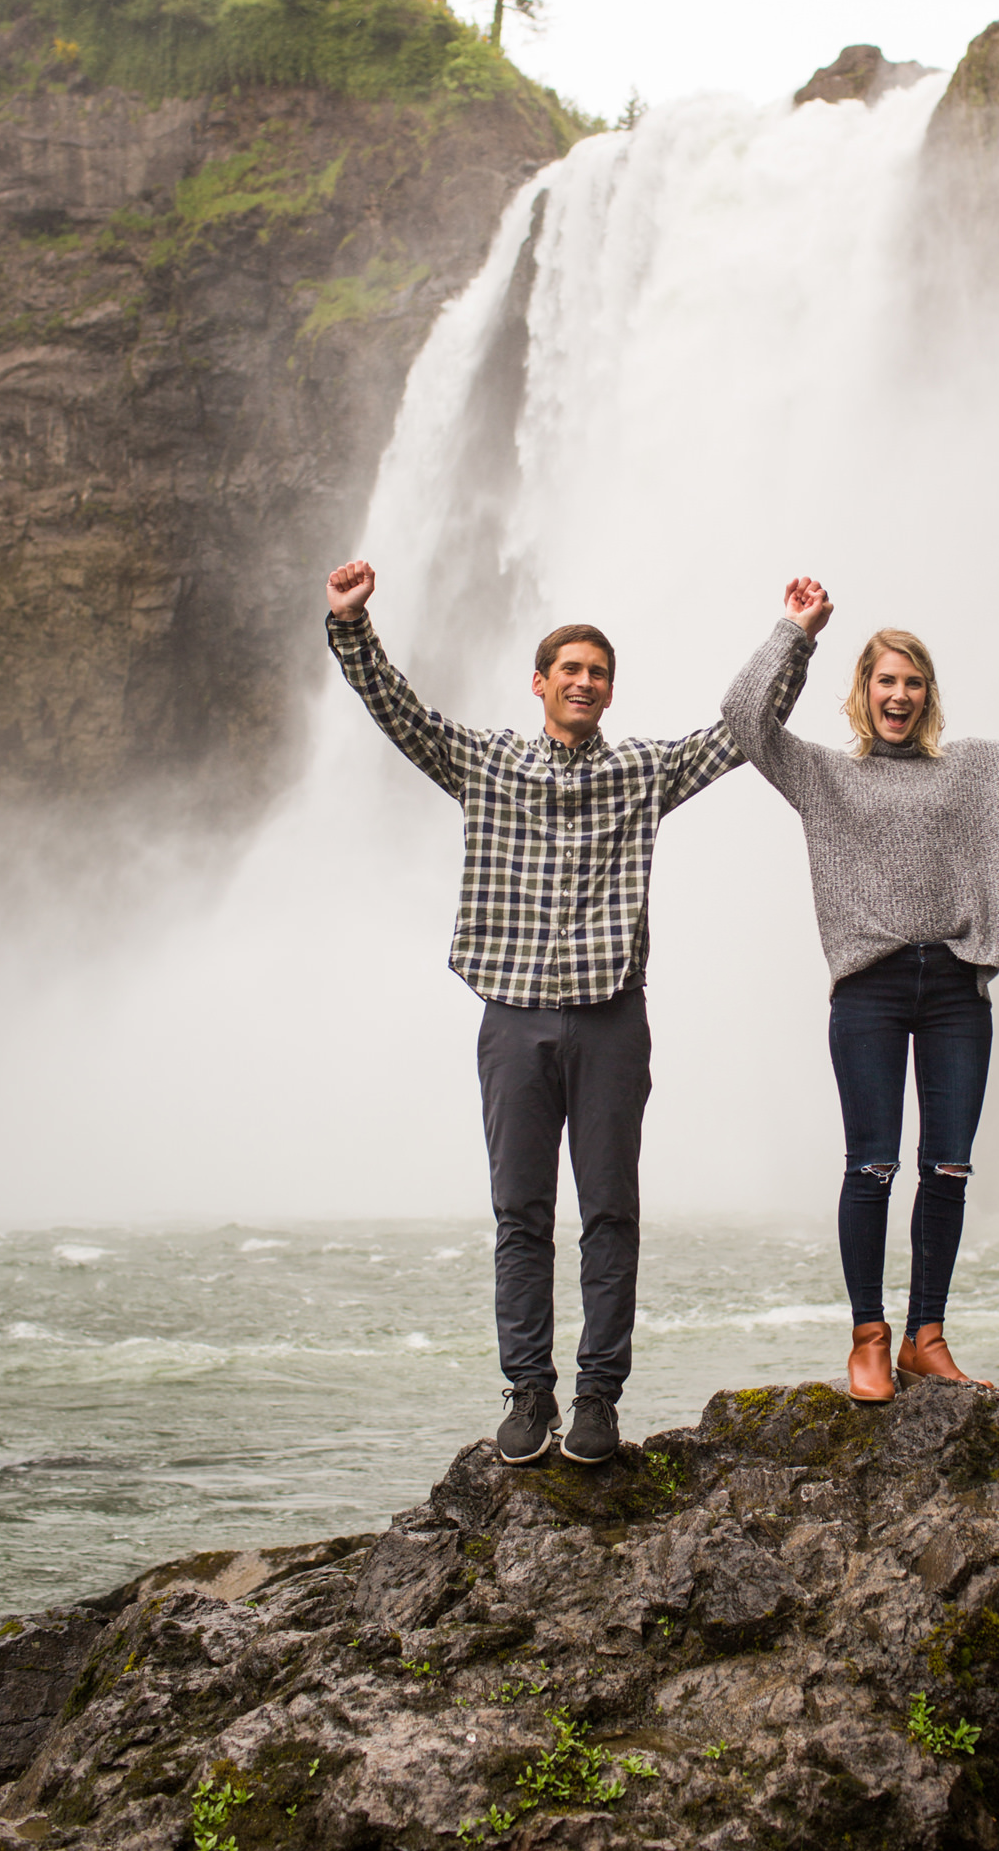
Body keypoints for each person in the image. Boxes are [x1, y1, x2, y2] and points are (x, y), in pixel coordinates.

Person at [325, 559, 808, 1464]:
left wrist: (793, 638)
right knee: (520, 1215)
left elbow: (741, 733)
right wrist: (350, 624)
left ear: (610, 692)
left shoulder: (641, 773)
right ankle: (528, 1395)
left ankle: (597, 1400)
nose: (585, 683)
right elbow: (399, 712)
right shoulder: (485, 760)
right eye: (570, 670)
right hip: (512, 1020)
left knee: (611, 1213)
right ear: (540, 683)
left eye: (599, 673)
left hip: (611, 1022)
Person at [722, 578, 999, 1403]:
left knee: (950, 1168)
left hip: (958, 988)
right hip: (870, 989)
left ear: (929, 695)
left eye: (913, 681)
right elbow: (744, 718)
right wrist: (795, 631)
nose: (899, 694)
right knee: (871, 1166)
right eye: (884, 680)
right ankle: (869, 1337)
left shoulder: (978, 771)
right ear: (863, 692)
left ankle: (927, 1336)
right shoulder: (823, 773)